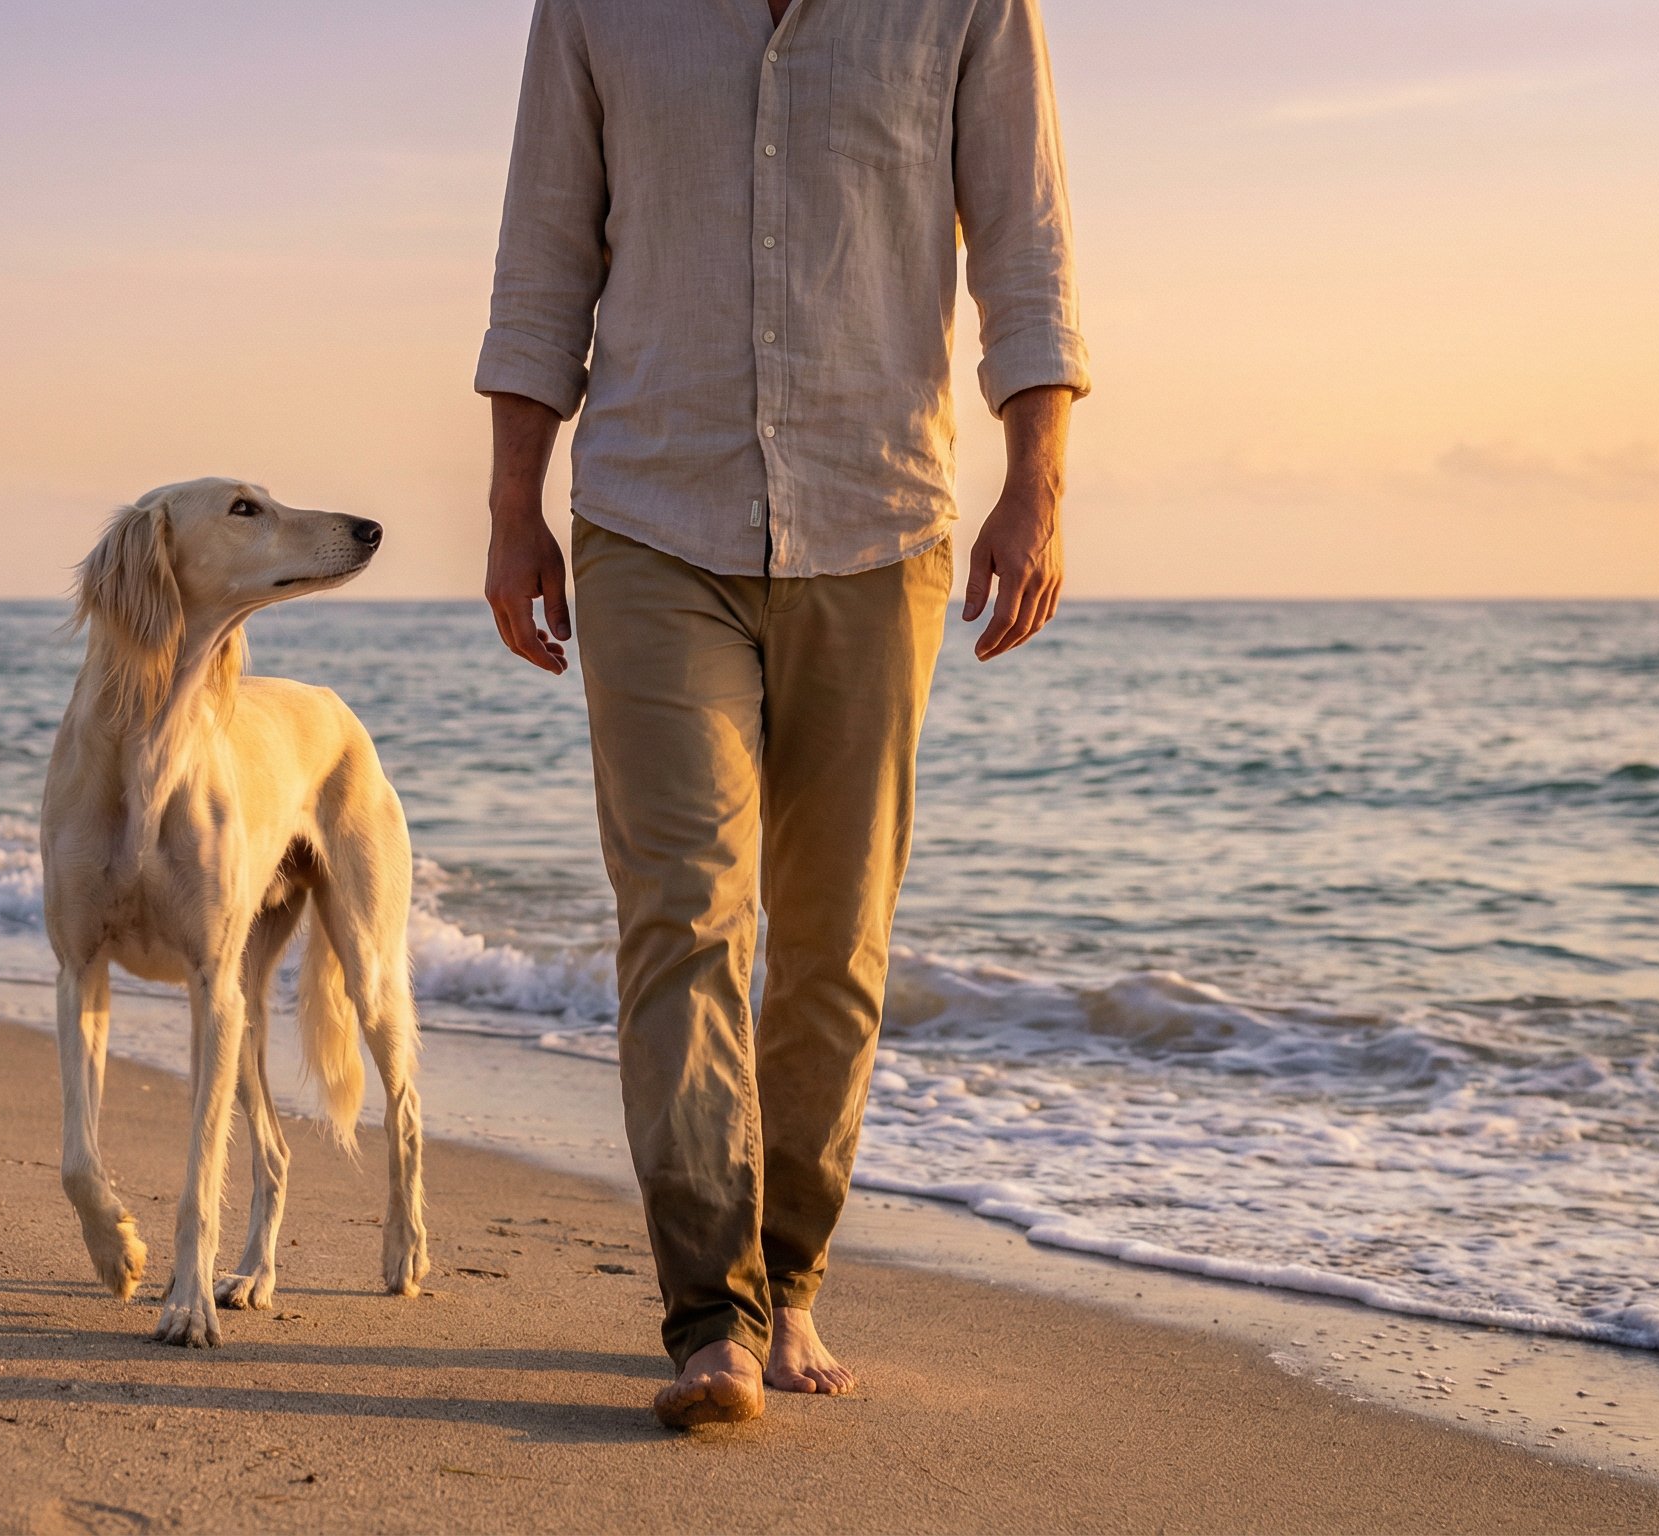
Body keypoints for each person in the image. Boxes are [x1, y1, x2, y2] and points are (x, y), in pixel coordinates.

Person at [474, 0, 1088, 1428]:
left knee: (835, 935)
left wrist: (1038, 486)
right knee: (683, 910)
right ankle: (711, 1315)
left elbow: (1025, 245)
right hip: (650, 512)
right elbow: (544, 254)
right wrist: (512, 507)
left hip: (879, 518)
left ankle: (788, 1275)